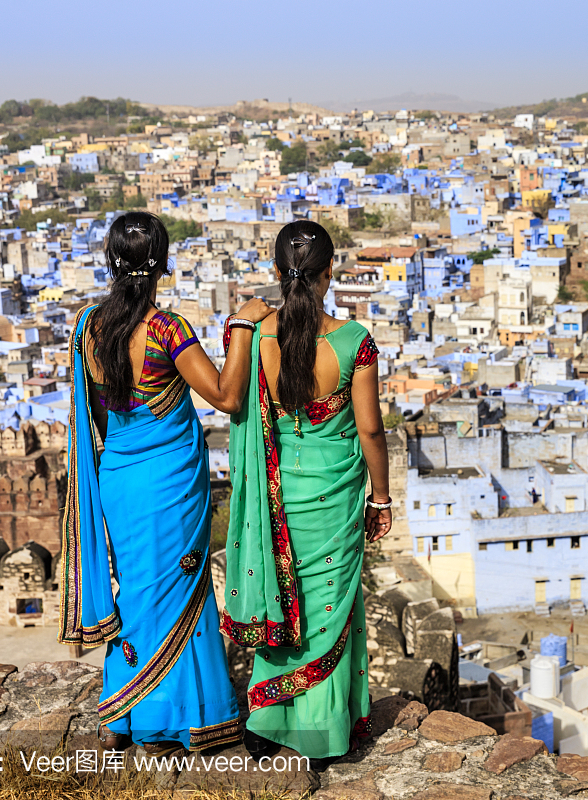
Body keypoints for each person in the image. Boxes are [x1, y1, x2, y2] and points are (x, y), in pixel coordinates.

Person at [59, 211, 271, 756]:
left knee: (137, 591)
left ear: (111, 260)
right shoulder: (166, 329)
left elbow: (100, 418)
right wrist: (244, 326)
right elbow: (225, 396)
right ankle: (185, 715)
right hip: (170, 480)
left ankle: (124, 709)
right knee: (181, 591)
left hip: (120, 478)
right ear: (164, 265)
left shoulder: (88, 327)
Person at [222, 220, 392, 763]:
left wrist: (241, 324)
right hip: (335, 495)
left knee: (284, 597)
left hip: (279, 498)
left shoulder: (257, 337)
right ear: (329, 273)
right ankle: (321, 729)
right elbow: (369, 430)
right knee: (327, 605)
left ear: (277, 272)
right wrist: (381, 497)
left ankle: (271, 716)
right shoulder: (352, 343)